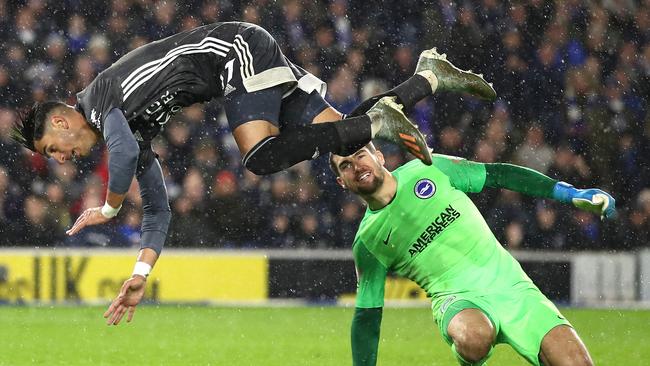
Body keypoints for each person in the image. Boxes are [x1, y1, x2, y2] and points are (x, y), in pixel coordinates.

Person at [10, 21, 496, 325]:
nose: (61, 159)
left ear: (60, 121)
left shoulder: (99, 102)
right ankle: (427, 77)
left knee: (260, 156)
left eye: (55, 148)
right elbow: (157, 209)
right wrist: (141, 271)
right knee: (346, 145)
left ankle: (381, 120)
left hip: (234, 52)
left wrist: (109, 207)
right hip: (238, 64)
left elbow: (116, 153)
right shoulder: (125, 129)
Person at [329, 143, 616, 366]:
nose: (357, 166)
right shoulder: (368, 241)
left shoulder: (429, 167)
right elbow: (367, 316)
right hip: (457, 300)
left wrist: (570, 193)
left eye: (360, 155)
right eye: (346, 165)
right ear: (341, 182)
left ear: (379, 156)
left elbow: (500, 174)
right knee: (476, 336)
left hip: (513, 287)